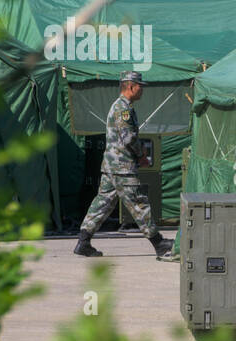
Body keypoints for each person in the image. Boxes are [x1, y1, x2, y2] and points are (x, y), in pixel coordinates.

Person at [74, 71, 172, 258]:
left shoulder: (121, 107)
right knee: (139, 203)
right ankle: (158, 243)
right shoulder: (123, 109)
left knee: (102, 204)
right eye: (139, 86)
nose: (141, 90)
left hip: (112, 167)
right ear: (130, 86)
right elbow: (128, 138)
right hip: (122, 168)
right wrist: (142, 154)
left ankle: (83, 242)